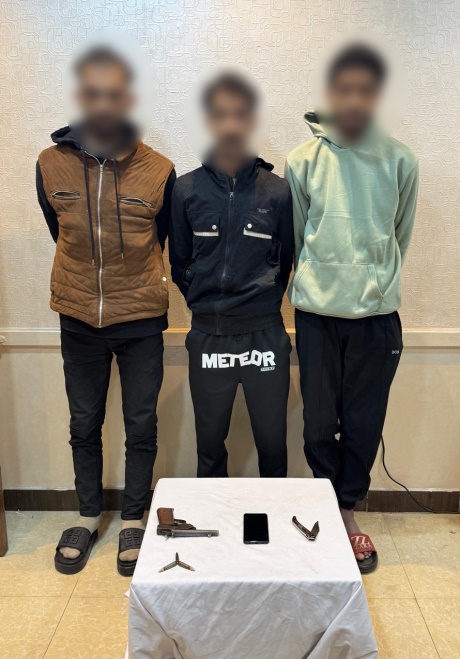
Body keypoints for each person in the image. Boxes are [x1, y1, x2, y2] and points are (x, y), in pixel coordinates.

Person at [36, 46, 175, 576]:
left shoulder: (158, 169)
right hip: (78, 318)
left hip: (140, 319)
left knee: (141, 424)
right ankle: (88, 515)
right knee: (83, 422)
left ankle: (134, 518)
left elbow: (163, 240)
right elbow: (60, 231)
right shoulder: (50, 163)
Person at [285, 44, 419, 573]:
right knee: (319, 422)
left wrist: (374, 279)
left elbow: (399, 237)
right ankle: (322, 505)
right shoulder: (302, 160)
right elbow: (299, 238)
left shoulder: (401, 160)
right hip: (317, 314)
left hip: (376, 316)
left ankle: (346, 512)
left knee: (363, 423)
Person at [169, 71, 294, 478]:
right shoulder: (185, 190)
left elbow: (286, 260)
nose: (231, 124)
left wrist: (260, 298)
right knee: (209, 446)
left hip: (264, 334)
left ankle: (275, 516)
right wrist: (206, 302)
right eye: (221, 115)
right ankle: (211, 515)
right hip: (209, 334)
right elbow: (179, 263)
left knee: (273, 444)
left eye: (240, 115)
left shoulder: (278, 191)